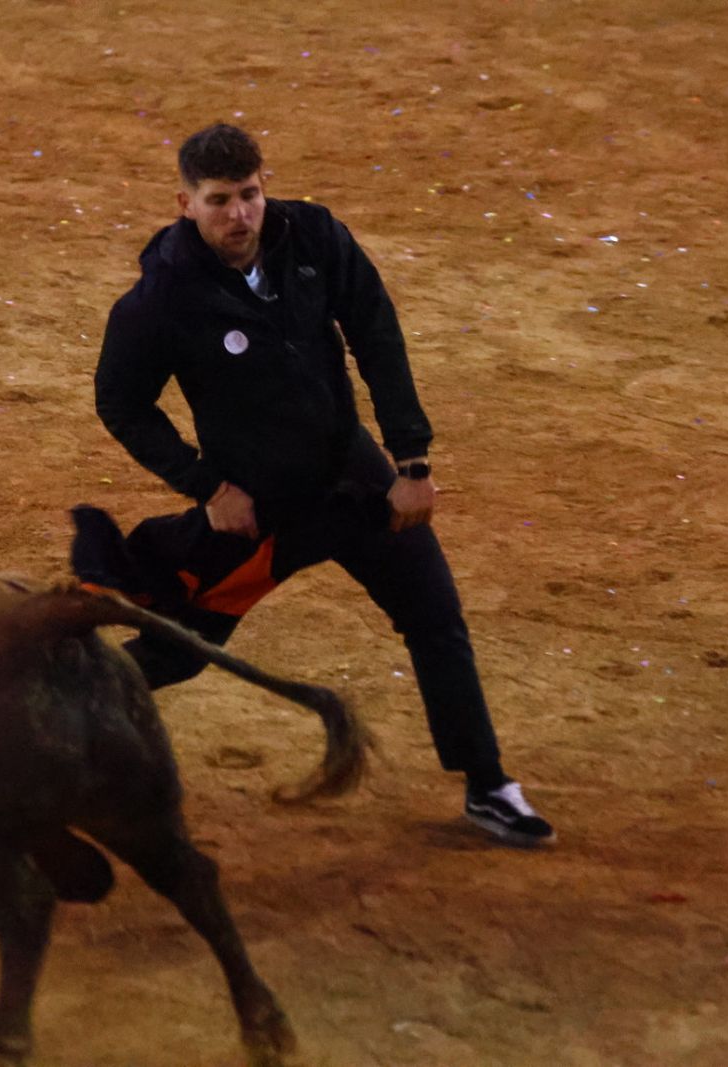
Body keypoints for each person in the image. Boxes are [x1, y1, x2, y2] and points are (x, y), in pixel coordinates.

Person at [70, 123, 554, 846]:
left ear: (266, 185)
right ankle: (49, 727)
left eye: (250, 194)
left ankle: (489, 784)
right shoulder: (162, 296)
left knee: (435, 615)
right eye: (219, 200)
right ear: (185, 203)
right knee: (176, 649)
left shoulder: (314, 237)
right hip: (257, 512)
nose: (239, 215)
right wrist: (206, 486)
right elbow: (120, 401)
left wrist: (411, 462)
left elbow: (377, 334)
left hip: (352, 481)